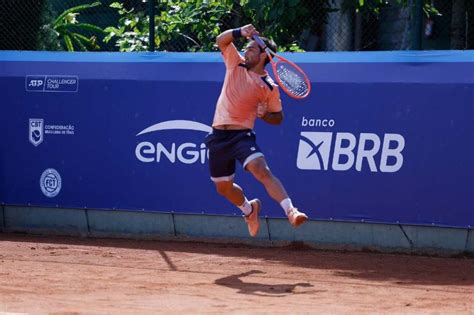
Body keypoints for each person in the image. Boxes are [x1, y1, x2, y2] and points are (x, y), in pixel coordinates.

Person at [204, 24, 308, 237]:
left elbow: (278, 117)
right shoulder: (236, 64)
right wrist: (240, 31)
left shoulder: (269, 87)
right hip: (218, 136)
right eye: (246, 48)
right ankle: (249, 209)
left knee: (261, 170)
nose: (245, 51)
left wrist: (264, 114)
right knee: (223, 188)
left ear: (263, 55)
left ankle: (291, 210)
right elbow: (220, 40)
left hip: (242, 136)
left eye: (251, 48)